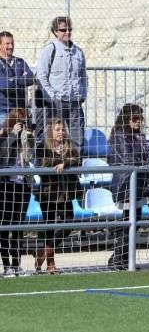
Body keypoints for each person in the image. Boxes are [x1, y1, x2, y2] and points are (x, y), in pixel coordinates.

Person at [106, 104, 149, 270]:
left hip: (140, 185)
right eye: (134, 119)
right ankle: (118, 259)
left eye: (140, 118)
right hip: (126, 186)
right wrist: (143, 166)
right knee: (129, 223)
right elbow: (128, 161)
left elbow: (145, 159)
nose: (138, 122)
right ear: (126, 119)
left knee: (135, 222)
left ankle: (122, 259)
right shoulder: (120, 136)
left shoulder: (139, 136)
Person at [36, 117, 83, 274]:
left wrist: (66, 163)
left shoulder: (69, 146)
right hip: (48, 193)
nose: (61, 133)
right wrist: (61, 160)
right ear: (50, 131)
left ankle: (43, 251)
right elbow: (43, 161)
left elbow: (78, 159)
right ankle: (50, 264)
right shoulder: (43, 146)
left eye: (62, 129)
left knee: (69, 223)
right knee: (49, 227)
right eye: (57, 130)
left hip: (66, 193)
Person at [35, 16, 87, 149]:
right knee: (54, 139)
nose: (67, 32)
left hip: (75, 103)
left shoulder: (78, 52)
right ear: (55, 32)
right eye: (63, 29)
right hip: (56, 104)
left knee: (77, 140)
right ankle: (53, 166)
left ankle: (76, 168)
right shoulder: (49, 50)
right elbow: (41, 76)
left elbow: (83, 76)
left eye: (69, 29)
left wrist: (82, 95)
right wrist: (52, 96)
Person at [0, 108, 34, 276]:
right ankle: (7, 266)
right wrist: (13, 135)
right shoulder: (3, 136)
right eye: (20, 122)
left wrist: (27, 138)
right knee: (5, 228)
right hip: (6, 186)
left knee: (19, 228)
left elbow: (29, 157)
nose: (22, 125)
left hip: (23, 185)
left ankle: (17, 264)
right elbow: (3, 156)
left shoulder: (26, 136)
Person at [0, 31, 35, 125]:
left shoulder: (20, 62)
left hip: (20, 112)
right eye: (7, 44)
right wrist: (20, 79)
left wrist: (13, 79)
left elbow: (31, 78)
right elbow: (5, 86)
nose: (11, 46)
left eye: (12, 43)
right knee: (5, 138)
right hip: (3, 111)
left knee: (21, 139)